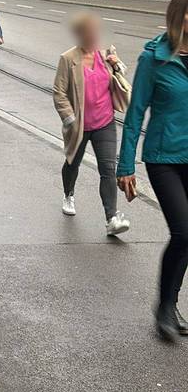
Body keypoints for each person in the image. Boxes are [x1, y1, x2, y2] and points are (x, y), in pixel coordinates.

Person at [117, 0, 188, 341]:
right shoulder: (154, 59)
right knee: (183, 232)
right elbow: (134, 115)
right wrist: (125, 165)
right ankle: (163, 309)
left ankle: (171, 306)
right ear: (181, 19)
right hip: (164, 158)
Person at [53, 13, 130, 237]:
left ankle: (112, 218)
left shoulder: (106, 53)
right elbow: (59, 92)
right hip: (79, 124)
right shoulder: (68, 59)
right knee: (72, 163)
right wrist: (69, 118)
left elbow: (122, 74)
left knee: (107, 169)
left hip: (104, 121)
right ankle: (68, 194)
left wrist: (116, 64)